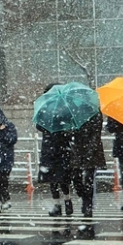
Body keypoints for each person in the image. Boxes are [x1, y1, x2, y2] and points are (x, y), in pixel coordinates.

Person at [36, 83, 74, 217]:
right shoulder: (67, 109)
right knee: (62, 178)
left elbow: (39, 126)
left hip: (50, 147)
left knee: (53, 179)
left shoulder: (45, 108)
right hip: (63, 147)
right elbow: (71, 128)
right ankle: (67, 202)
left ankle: (58, 205)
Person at [65, 112, 107, 217]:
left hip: (92, 151)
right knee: (75, 178)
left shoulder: (95, 112)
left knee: (89, 179)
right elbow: (68, 131)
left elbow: (96, 133)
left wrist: (90, 150)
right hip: (77, 149)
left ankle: (88, 204)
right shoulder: (72, 112)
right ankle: (84, 196)